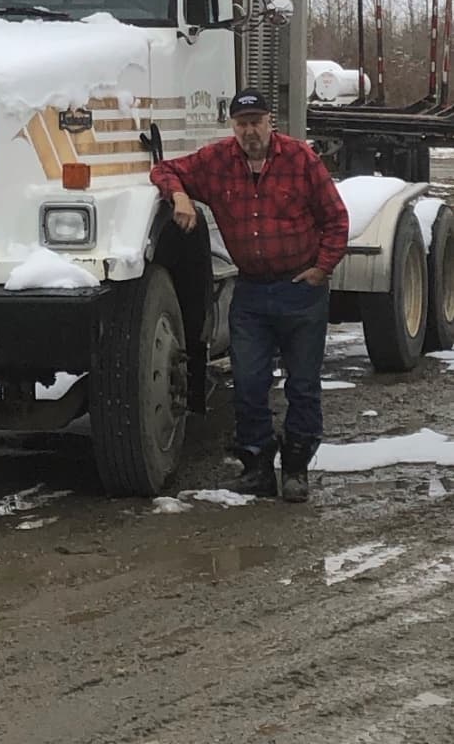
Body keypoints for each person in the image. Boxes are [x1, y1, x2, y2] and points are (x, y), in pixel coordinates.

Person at [149, 88, 349, 502]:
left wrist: (321, 269)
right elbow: (165, 169)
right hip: (252, 292)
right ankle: (257, 467)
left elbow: (336, 218)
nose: (249, 131)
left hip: (300, 290)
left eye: (256, 122)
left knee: (303, 385)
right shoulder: (217, 161)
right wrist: (180, 196)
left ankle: (296, 469)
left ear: (270, 122)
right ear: (233, 126)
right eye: (242, 123)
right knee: (248, 382)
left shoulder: (300, 159)